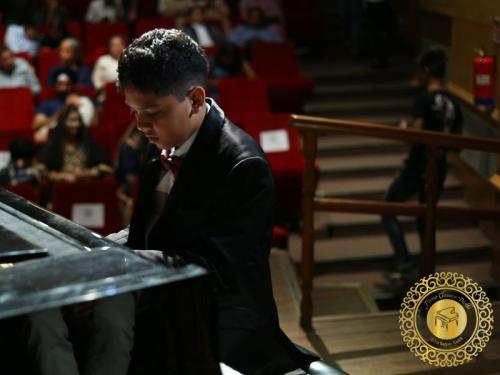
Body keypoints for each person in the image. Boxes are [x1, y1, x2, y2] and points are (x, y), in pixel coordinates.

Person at [108, 28, 318, 374]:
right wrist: (103, 247)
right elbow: (152, 229)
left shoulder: (242, 163)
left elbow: (218, 267)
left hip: (223, 317)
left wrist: (129, 259)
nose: (141, 124)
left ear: (193, 99)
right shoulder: (162, 143)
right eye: (133, 112)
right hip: (167, 302)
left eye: (152, 112)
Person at [381, 48, 463, 281]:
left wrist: (404, 129)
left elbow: (415, 135)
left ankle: (405, 260)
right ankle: (427, 270)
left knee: (388, 208)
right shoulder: (454, 103)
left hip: (418, 165)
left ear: (427, 71)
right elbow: (457, 145)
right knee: (425, 218)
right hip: (439, 166)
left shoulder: (424, 99)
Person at [38, 104, 111, 183]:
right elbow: (42, 170)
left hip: (86, 186)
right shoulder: (54, 143)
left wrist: (87, 173)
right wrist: (63, 176)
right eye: (72, 120)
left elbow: (105, 166)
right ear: (63, 122)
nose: (76, 124)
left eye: (78, 120)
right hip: (62, 188)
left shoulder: (87, 140)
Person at [33, 69, 96, 144]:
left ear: (72, 86)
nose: (64, 87)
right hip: (53, 139)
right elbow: (37, 124)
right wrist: (62, 111)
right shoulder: (47, 104)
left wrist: (82, 104)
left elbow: (93, 123)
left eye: (67, 84)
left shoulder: (80, 101)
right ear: (55, 85)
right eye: (60, 84)